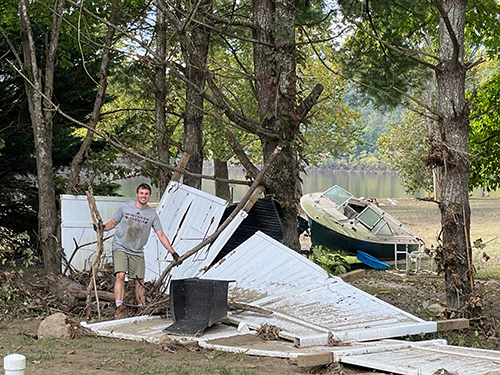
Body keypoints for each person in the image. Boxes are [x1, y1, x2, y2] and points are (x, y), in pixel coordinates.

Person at [101, 183, 180, 319]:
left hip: (137, 251)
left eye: (146, 194)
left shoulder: (152, 214)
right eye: (141, 193)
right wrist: (101, 228)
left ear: (149, 196)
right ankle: (119, 307)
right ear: (137, 194)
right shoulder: (125, 207)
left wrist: (173, 252)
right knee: (120, 275)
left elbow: (161, 234)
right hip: (120, 246)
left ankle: (142, 308)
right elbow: (113, 223)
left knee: (139, 280)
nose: (143, 196)